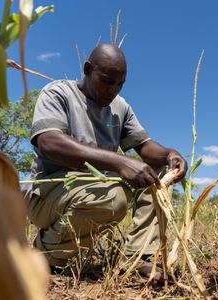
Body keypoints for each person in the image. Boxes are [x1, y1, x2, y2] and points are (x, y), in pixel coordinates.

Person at [26, 43, 187, 278]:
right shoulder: (58, 93)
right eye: (107, 81)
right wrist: (119, 162)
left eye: (120, 84)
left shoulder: (119, 107)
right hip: (49, 193)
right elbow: (49, 142)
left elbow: (144, 146)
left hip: (98, 190)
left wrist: (169, 155)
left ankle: (137, 256)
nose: (114, 90)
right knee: (115, 197)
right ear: (88, 69)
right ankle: (45, 254)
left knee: (160, 171)